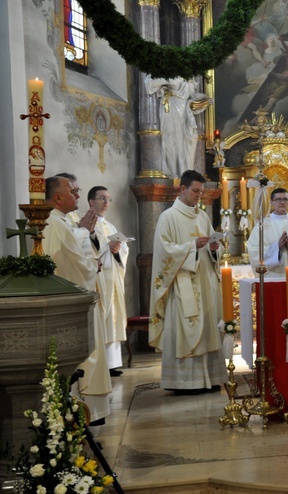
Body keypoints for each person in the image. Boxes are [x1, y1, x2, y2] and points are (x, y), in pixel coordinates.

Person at [148, 170, 225, 393]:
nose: (199, 195)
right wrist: (192, 246)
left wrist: (213, 249)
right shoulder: (168, 217)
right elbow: (164, 252)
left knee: (209, 329)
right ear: (182, 189)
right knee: (186, 328)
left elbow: (211, 247)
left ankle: (210, 378)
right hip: (183, 284)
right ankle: (184, 382)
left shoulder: (202, 216)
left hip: (204, 281)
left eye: (201, 191)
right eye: (195, 191)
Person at [43, 176, 111, 424]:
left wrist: (85, 233)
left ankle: (90, 409)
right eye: (73, 191)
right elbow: (75, 266)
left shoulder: (60, 222)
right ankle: (87, 411)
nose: (78, 196)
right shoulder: (56, 224)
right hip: (73, 304)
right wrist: (93, 259)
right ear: (58, 197)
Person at [88, 186, 129, 377]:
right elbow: (87, 249)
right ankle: (101, 362)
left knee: (113, 318)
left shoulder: (111, 227)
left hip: (113, 279)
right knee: (102, 318)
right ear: (91, 202)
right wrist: (106, 247)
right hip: (99, 279)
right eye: (102, 198)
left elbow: (123, 251)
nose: (106, 202)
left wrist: (118, 249)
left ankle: (112, 363)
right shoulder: (87, 225)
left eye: (108, 199)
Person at [145, 76, 209, 177]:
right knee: (171, 139)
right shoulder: (170, 73)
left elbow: (193, 95)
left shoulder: (189, 78)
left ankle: (186, 172)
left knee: (191, 139)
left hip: (185, 110)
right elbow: (149, 84)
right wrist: (168, 77)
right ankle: (173, 172)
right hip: (171, 108)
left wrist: (203, 101)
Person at [247, 187, 288, 275]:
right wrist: (277, 247)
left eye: (285, 199)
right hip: (272, 274)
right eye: (278, 199)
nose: (282, 202)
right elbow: (254, 250)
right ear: (271, 202)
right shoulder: (262, 225)